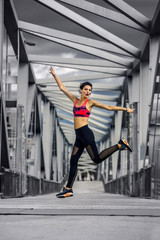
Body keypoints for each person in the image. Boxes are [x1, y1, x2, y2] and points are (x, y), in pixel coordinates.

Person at [50, 67, 134, 198]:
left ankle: (119, 145)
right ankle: (68, 189)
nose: (88, 92)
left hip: (86, 134)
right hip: (79, 136)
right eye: (86, 89)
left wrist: (125, 109)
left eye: (90, 90)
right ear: (81, 90)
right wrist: (55, 75)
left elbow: (109, 107)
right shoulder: (75, 100)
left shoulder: (90, 103)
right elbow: (62, 88)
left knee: (96, 159)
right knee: (73, 161)